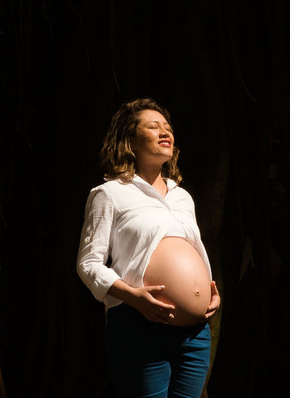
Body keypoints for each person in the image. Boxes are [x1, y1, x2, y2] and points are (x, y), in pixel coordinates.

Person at [77, 98, 221, 398]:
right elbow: (89, 264)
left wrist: (207, 292)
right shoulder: (110, 193)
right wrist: (134, 298)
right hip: (139, 323)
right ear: (129, 140)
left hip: (195, 333)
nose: (164, 132)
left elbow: (190, 250)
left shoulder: (183, 197)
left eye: (167, 127)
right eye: (153, 127)